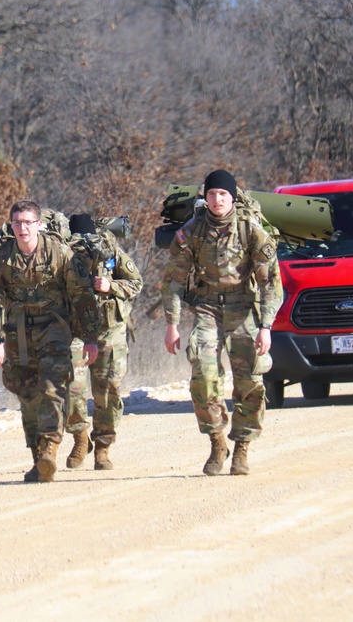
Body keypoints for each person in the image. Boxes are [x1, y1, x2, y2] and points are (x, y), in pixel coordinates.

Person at [0, 200, 101, 483]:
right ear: (11, 226)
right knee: (27, 396)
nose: (22, 228)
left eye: (28, 222)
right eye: (17, 223)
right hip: (18, 332)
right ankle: (37, 456)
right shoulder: (2, 257)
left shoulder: (59, 253)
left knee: (52, 387)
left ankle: (50, 448)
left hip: (54, 327)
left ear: (39, 224)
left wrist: (90, 337)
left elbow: (82, 295)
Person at [161, 170, 281, 476]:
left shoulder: (250, 230)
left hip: (243, 308)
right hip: (207, 308)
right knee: (202, 376)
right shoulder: (194, 230)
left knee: (250, 381)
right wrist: (172, 323)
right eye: (212, 194)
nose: (217, 200)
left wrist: (266, 326)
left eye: (223, 195)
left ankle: (242, 447)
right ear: (206, 196)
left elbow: (271, 283)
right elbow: (174, 278)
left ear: (232, 197)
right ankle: (217, 443)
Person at [65, 213, 143, 470]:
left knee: (107, 390)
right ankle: (80, 438)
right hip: (75, 330)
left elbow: (136, 283)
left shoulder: (110, 250)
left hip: (109, 330)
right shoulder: (63, 254)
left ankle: (103, 447)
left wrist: (111, 286)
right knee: (73, 388)